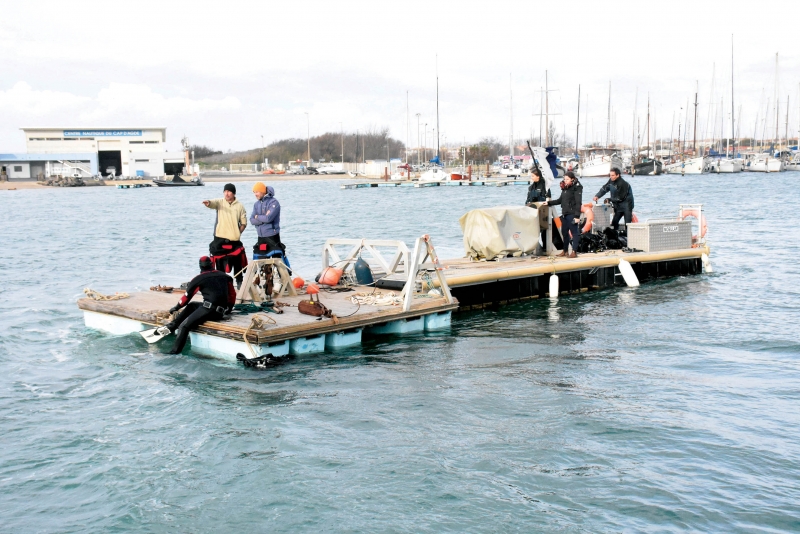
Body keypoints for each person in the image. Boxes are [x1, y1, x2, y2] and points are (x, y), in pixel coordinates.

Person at [157, 256, 236, 354]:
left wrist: (177, 307)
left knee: (184, 327)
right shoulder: (225, 276)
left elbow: (186, 297)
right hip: (220, 312)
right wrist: (229, 309)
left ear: (200, 267)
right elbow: (232, 294)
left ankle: (174, 352)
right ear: (212, 264)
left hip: (210, 311)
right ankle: (173, 325)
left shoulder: (199, 279)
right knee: (192, 305)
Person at [203, 183, 248, 288]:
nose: (227, 194)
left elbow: (244, 223)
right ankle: (221, 284)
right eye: (225, 191)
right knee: (219, 262)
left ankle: (239, 283)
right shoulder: (220, 203)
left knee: (238, 261)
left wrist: (238, 232)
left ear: (234, 193)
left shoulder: (240, 206)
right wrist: (208, 203)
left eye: (229, 191)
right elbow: (212, 203)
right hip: (220, 239)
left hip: (234, 240)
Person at [545, 171, 583, 258]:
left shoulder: (577, 188)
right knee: (564, 233)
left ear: (572, 179)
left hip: (572, 214)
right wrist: (548, 203)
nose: (565, 181)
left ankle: (574, 251)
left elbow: (578, 203)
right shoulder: (565, 189)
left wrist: (577, 216)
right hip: (565, 214)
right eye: (564, 179)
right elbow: (559, 200)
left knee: (574, 232)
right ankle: (565, 251)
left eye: (567, 179)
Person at [250, 182, 287, 263]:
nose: (255, 194)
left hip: (272, 237)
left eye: (257, 192)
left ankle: (287, 273)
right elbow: (252, 220)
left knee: (278, 260)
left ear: (263, 191)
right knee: (260, 261)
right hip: (260, 237)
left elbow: (268, 218)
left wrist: (258, 217)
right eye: (254, 192)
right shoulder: (256, 204)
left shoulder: (274, 203)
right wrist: (262, 218)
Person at [593, 167, 634, 233]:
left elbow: (620, 198)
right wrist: (597, 196)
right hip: (618, 206)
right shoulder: (611, 181)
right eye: (610, 175)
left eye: (613, 175)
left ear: (618, 175)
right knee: (614, 223)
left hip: (627, 206)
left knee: (627, 224)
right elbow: (604, 188)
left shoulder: (623, 184)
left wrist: (610, 199)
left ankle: (628, 239)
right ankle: (615, 237)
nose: (611, 177)